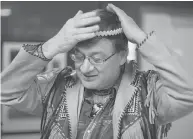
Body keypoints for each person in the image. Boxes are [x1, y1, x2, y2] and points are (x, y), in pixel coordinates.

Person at [1, 3, 193, 139]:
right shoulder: (58, 87)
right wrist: (51, 46)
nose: (85, 68)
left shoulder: (148, 92)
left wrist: (142, 38)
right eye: (78, 56)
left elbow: (187, 96)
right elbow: (7, 91)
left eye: (97, 59)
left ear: (122, 55)